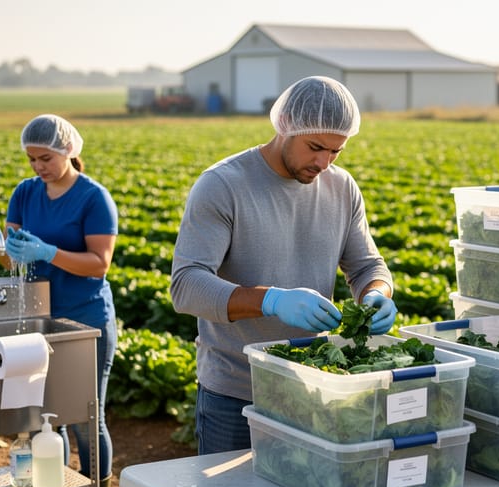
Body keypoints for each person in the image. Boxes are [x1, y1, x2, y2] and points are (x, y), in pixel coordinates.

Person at [170, 76, 398, 455]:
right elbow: (187, 286)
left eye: (336, 152)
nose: (324, 163)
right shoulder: (223, 185)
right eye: (315, 147)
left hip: (312, 383)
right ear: (286, 124)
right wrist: (271, 301)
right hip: (236, 392)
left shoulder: (342, 188)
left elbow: (367, 265)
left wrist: (377, 293)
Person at [0, 114, 118, 487]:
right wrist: (11, 251)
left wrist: (49, 253)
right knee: (46, 418)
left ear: (68, 151)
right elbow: (5, 250)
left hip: (85, 320)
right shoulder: (25, 192)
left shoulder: (93, 197)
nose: (38, 167)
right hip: (38, 320)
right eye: (32, 159)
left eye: (45, 158)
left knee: (86, 417)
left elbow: (99, 263)